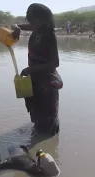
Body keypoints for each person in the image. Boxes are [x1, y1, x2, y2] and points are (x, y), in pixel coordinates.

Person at [11, 3, 63, 135]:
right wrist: (16, 28)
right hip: (35, 82)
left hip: (47, 83)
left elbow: (54, 63)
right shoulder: (37, 28)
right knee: (36, 120)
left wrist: (31, 70)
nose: (31, 24)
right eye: (30, 21)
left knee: (48, 122)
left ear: (42, 19)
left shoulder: (49, 35)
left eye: (33, 20)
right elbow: (16, 25)